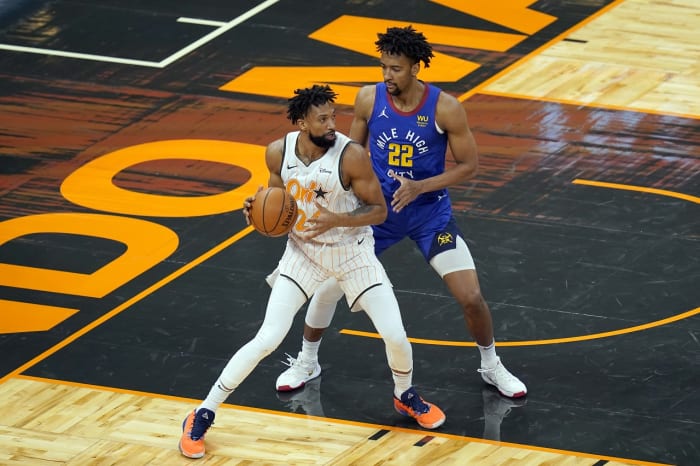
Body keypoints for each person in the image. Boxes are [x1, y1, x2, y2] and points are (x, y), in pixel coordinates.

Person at [178, 84, 445, 460]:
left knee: (396, 337)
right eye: (323, 118)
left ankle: (404, 395)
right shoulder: (277, 152)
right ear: (302, 122)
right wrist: (256, 210)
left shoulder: (351, 156)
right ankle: (202, 412)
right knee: (267, 338)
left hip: (353, 254)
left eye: (334, 116)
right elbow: (276, 203)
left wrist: (337, 218)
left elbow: (379, 211)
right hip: (302, 254)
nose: (333, 124)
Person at [276, 26, 527, 399]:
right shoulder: (367, 99)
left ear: (415, 67)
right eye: (383, 67)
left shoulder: (445, 107)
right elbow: (347, 153)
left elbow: (469, 166)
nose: (387, 76)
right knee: (328, 287)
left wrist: (420, 187)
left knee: (470, 296)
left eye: (395, 68)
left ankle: (491, 366)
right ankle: (306, 360)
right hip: (379, 215)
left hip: (429, 214)